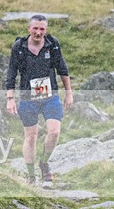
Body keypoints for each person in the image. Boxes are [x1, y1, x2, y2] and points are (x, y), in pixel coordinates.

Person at [5, 14, 73, 184]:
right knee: (31, 136)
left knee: (54, 131)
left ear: (46, 30)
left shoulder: (52, 45)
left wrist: (69, 93)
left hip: (50, 97)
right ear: (29, 29)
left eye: (42, 29)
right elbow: (11, 73)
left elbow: (62, 69)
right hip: (28, 98)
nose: (38, 32)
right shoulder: (19, 47)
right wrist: (10, 98)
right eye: (35, 28)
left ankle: (43, 163)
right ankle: (30, 175)